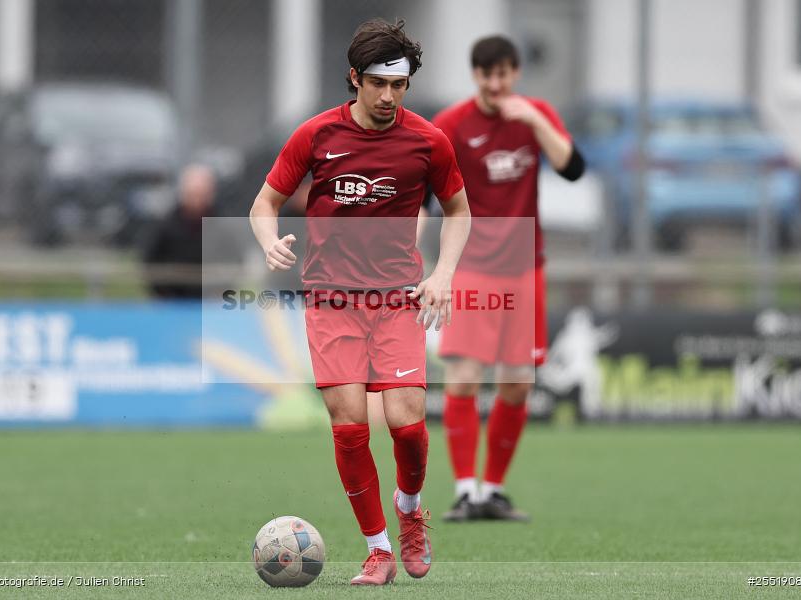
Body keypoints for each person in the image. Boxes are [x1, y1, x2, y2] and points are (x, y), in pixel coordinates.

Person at [249, 19, 470, 586]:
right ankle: (378, 550)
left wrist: (443, 275)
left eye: (399, 85)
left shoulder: (428, 142)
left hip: (398, 300)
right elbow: (264, 203)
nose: (389, 96)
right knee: (350, 427)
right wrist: (270, 242)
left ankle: (410, 511)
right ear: (355, 79)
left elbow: (460, 212)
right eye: (378, 83)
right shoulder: (316, 136)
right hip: (331, 302)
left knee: (407, 424)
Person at [431, 35, 585, 522]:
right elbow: (420, 192)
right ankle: (464, 491)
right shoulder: (452, 125)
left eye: (503, 74)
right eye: (486, 75)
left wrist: (536, 121)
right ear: (474, 75)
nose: (496, 84)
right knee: (464, 378)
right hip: (473, 265)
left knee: (517, 384)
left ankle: (493, 491)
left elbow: (574, 168)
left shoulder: (534, 114)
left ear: (515, 73)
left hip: (525, 266)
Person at [144, 164, 241, 299]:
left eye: (202, 194)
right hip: (173, 301)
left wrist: (221, 292)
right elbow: (150, 261)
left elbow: (234, 262)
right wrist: (163, 294)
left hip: (212, 302)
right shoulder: (165, 225)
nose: (197, 200)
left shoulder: (222, 226)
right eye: (193, 194)